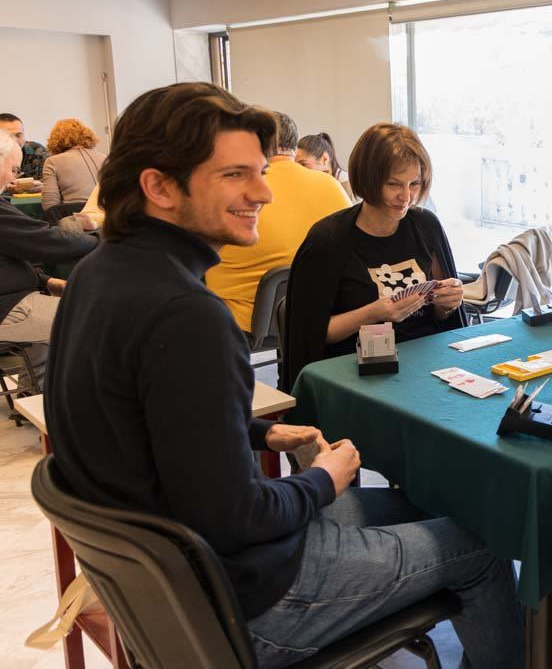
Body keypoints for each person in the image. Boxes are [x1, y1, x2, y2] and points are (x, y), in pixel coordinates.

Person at [43, 82, 522, 669]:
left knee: (446, 509)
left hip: (182, 590)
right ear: (159, 187)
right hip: (254, 599)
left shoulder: (97, 276)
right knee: (482, 542)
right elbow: (237, 516)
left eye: (260, 172)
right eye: (235, 175)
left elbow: (146, 422)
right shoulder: (188, 315)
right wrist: (322, 479)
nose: (264, 193)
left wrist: (259, 432)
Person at [283, 124, 465, 390]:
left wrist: (448, 302)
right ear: (368, 178)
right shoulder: (328, 240)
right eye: (393, 184)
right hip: (356, 372)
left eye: (414, 184)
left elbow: (441, 317)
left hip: (427, 364)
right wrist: (373, 313)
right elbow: (310, 333)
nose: (406, 197)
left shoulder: (426, 225)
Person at [206, 111, 350, 337]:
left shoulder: (235, 190)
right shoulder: (332, 186)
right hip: (320, 318)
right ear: (294, 144)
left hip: (243, 324)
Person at [0, 131, 95, 378]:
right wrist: (101, 241)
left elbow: (10, 258)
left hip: (13, 302)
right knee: (98, 318)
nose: (13, 179)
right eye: (13, 169)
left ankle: (37, 390)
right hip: (9, 308)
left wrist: (46, 281)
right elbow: (44, 241)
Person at [41, 118, 106, 211]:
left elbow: (49, 204)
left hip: (73, 215)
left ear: (55, 140)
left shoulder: (52, 161)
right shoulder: (105, 158)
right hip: (106, 214)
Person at [296, 132, 353, 199]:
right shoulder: (315, 183)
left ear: (324, 159)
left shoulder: (346, 184)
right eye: (296, 165)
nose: (298, 170)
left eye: (303, 164)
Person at [0, 112, 47, 181]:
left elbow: (52, 181)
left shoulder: (37, 151)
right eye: (8, 136)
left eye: (18, 135)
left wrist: (41, 185)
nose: (14, 140)